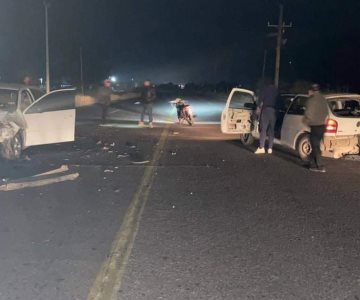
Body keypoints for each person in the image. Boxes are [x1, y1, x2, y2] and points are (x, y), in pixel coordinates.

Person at [303, 84, 328, 173]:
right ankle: (311, 163)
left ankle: (320, 166)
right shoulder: (323, 99)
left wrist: (306, 121)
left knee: (315, 146)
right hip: (322, 126)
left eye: (308, 91)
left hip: (315, 126)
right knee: (315, 144)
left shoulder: (311, 100)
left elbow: (308, 113)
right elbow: (326, 112)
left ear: (311, 91)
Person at [254, 82, 279, 154]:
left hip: (266, 110)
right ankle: (270, 148)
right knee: (271, 130)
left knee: (264, 129)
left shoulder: (265, 89)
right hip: (274, 112)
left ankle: (261, 147)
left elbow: (260, 100)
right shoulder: (277, 91)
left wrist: (258, 109)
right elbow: (280, 103)